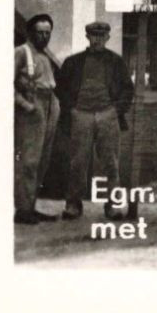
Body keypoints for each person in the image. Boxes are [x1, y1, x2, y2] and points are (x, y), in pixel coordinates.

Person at [55, 21, 133, 220]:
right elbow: (60, 88)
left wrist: (116, 111)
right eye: (94, 35)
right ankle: (73, 205)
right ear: (87, 37)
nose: (98, 39)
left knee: (111, 163)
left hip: (108, 115)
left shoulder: (116, 62)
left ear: (107, 38)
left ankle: (113, 206)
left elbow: (127, 89)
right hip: (80, 115)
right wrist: (71, 110)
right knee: (78, 162)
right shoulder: (73, 62)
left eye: (102, 36)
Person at [15, 13, 61, 224]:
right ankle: (23, 210)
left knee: (43, 159)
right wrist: (26, 106)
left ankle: (31, 206)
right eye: (39, 33)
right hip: (33, 106)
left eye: (47, 33)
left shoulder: (45, 55)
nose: (44, 37)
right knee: (30, 160)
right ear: (30, 33)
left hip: (50, 103)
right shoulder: (21, 52)